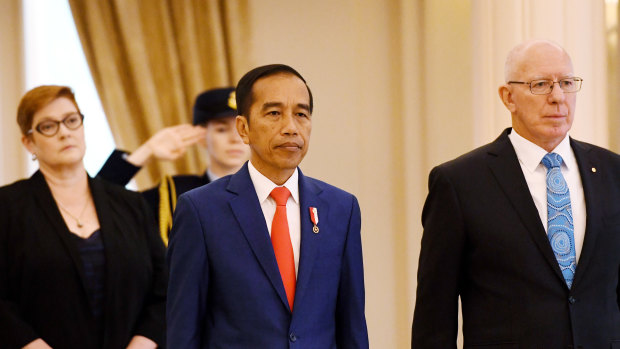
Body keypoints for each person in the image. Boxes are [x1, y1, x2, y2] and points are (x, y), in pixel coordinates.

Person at [411, 39, 620, 348]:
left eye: (566, 83)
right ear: (508, 97)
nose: (558, 97)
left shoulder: (612, 172)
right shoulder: (459, 183)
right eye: (540, 85)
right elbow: (434, 315)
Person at [166, 64, 369, 348]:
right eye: (274, 114)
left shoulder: (340, 208)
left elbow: (352, 324)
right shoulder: (201, 210)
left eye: (301, 114)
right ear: (243, 128)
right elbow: (183, 329)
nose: (290, 127)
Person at [0, 85, 167, 349]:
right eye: (48, 126)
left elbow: (164, 289)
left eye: (71, 120)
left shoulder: (130, 204)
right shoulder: (7, 207)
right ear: (29, 142)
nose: (64, 132)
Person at [97, 87, 250, 243]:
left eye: (242, 128)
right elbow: (99, 204)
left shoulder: (270, 191)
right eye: (222, 129)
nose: (235, 139)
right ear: (202, 136)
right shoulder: (174, 195)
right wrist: (146, 151)